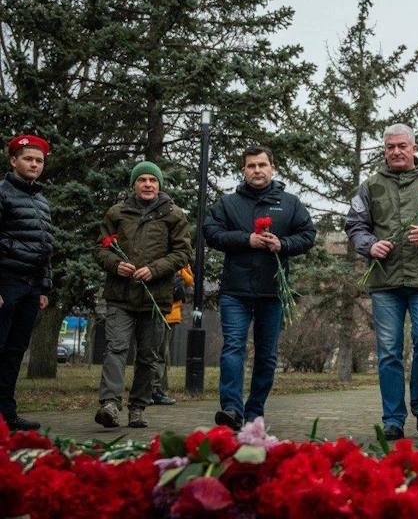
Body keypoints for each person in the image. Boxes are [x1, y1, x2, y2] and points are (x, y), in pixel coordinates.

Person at [345, 125, 418, 441]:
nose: (395, 151)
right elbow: (354, 225)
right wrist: (370, 244)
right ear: (384, 150)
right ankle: (394, 418)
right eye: (389, 147)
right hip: (386, 282)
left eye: (401, 146)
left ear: (413, 147)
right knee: (388, 352)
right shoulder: (370, 186)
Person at [205, 146, 316, 430]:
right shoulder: (228, 203)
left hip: (273, 291)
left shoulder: (290, 203)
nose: (257, 170)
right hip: (235, 290)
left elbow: (308, 234)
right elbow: (211, 232)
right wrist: (246, 239)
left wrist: (284, 244)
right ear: (243, 170)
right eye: (251, 165)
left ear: (272, 167)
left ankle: (254, 412)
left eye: (262, 165)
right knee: (233, 348)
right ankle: (231, 410)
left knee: (267, 355)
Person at [93, 161, 192, 428]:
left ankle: (137, 407)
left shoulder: (174, 214)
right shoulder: (116, 213)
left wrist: (155, 269)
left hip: (156, 298)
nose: (148, 184)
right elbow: (100, 250)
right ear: (134, 184)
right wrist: (116, 264)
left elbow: (183, 253)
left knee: (149, 356)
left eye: (153, 180)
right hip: (120, 296)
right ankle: (110, 405)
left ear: (159, 185)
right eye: (142, 180)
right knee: (116, 348)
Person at [0, 135, 53, 432]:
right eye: (28, 159)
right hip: (6, 282)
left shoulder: (41, 201)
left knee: (14, 351)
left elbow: (46, 247)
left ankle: (6, 415)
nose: (34, 164)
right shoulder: (3, 193)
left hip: (31, 288)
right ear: (13, 161)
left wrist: (44, 288)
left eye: (39, 161)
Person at [151, 266, 194, 406]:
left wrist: (180, 270)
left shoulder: (181, 261)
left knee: (163, 353)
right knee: (151, 352)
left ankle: (156, 389)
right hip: (154, 309)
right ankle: (148, 389)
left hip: (171, 313)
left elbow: (189, 281)